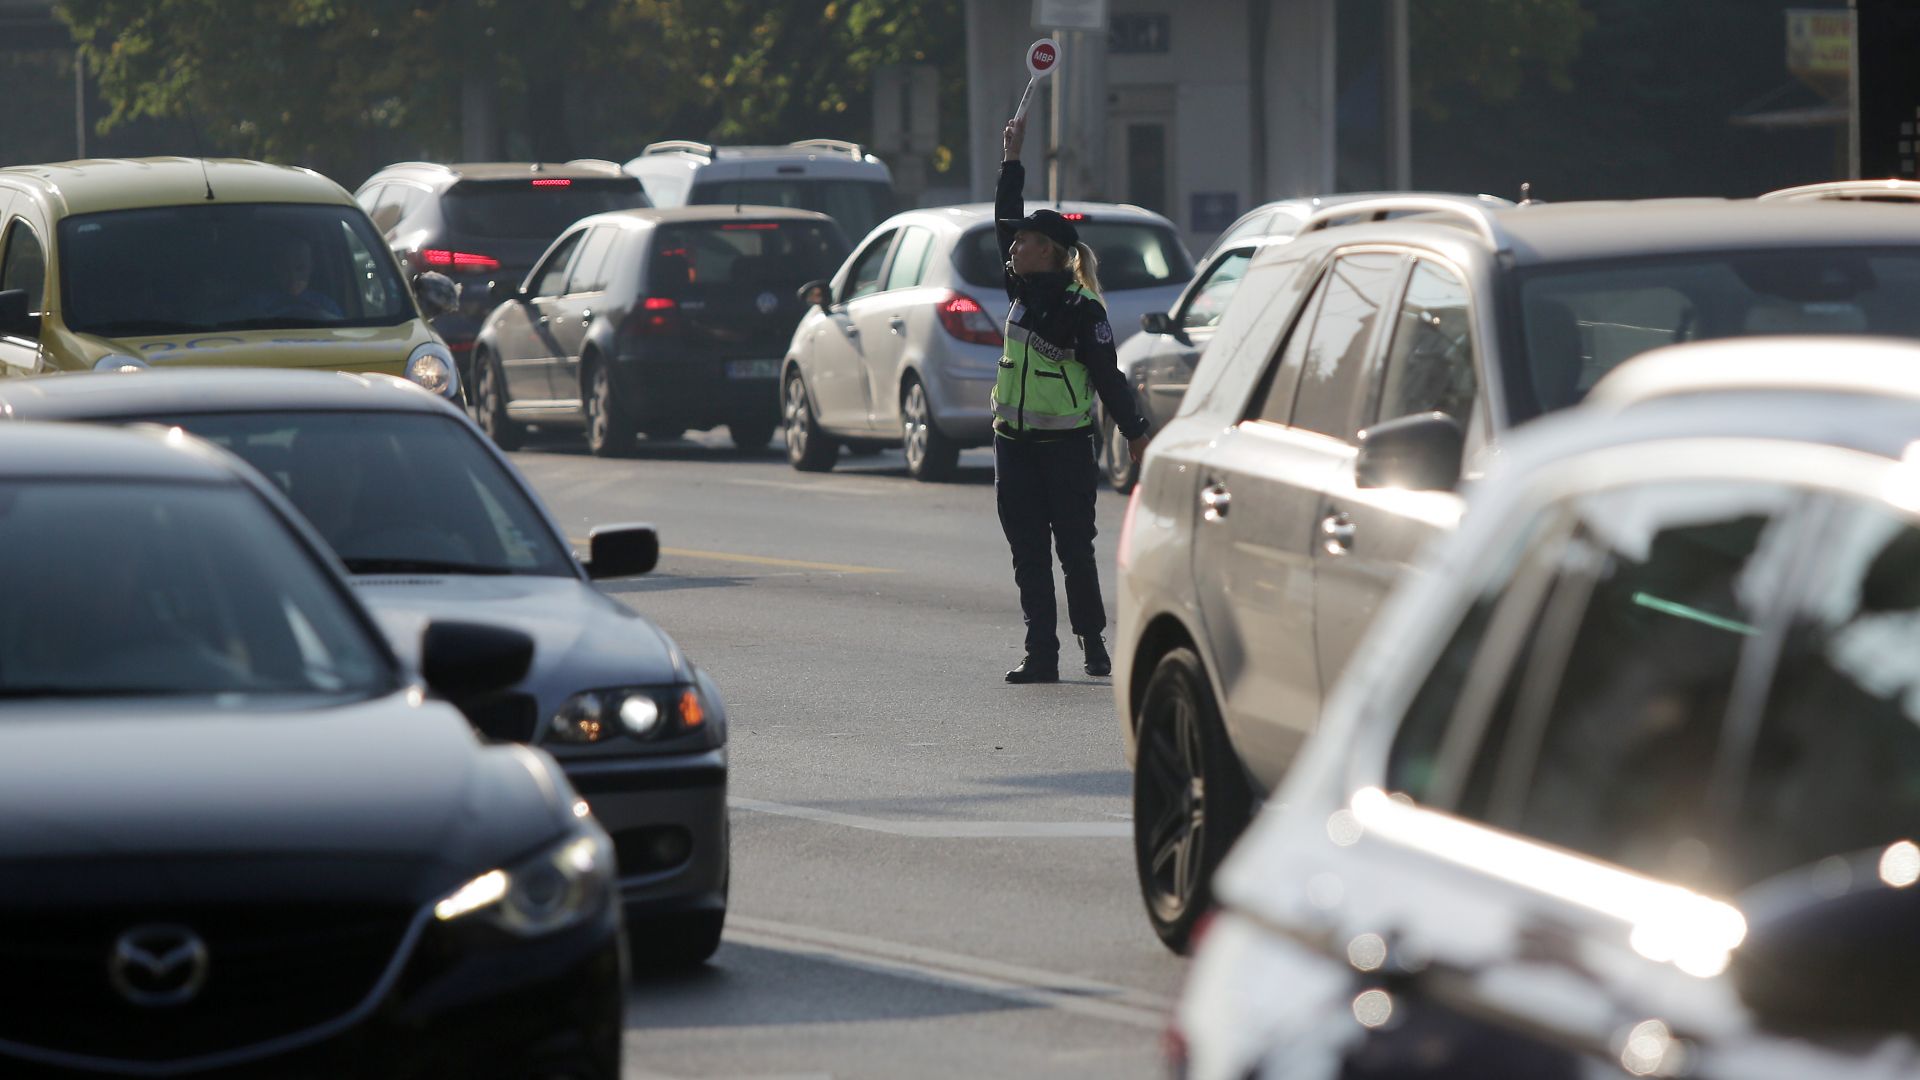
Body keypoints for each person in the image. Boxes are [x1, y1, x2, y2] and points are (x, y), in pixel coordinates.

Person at [993, 113, 1151, 684]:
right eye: (1016, 241)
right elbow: (1005, 217)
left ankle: (1092, 639)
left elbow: (1108, 376)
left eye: (1025, 241)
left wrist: (1135, 431)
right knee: (1028, 553)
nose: (1014, 245)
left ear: (1050, 251)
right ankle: (1041, 653)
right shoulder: (1019, 289)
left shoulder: (1083, 311)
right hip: (1013, 445)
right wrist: (1012, 158)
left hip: (1065, 449)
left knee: (1075, 551)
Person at [253, 232, 343, 319]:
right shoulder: (258, 304)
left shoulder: (326, 305)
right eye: (285, 269)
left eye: (300, 269)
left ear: (311, 267)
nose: (293, 277)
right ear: (276, 269)